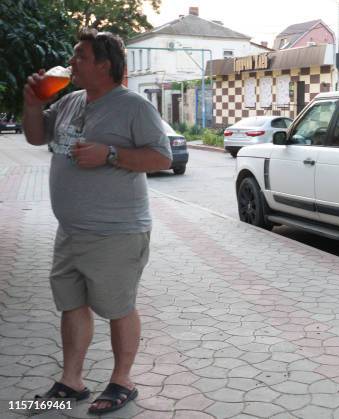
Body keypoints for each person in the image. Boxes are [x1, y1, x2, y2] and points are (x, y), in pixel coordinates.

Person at [22, 29, 171, 415]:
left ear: (104, 65)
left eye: (79, 57)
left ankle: (123, 381)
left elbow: (162, 158)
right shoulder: (71, 101)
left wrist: (109, 155)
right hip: (70, 231)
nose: (70, 63)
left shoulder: (134, 106)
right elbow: (36, 138)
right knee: (71, 305)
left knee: (118, 307)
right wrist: (33, 103)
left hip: (116, 233)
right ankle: (71, 382)